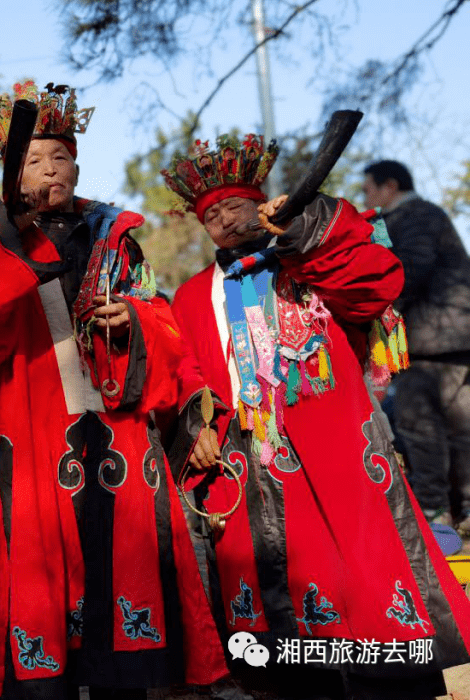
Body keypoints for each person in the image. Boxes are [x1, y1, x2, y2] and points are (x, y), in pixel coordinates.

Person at [0, 82, 227, 700]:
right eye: (35, 159)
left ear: (79, 162)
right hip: (37, 425)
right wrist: (5, 240)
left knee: (126, 566)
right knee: (48, 578)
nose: (51, 168)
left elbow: (164, 320)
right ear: (13, 174)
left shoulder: (116, 234)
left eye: (61, 156)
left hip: (120, 428)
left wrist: (133, 314)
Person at [165, 135, 470, 700]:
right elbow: (185, 372)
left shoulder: (313, 259)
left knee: (365, 579)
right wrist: (197, 425)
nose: (227, 219)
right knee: (276, 618)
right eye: (211, 214)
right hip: (252, 466)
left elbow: (376, 285)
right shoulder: (190, 298)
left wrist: (308, 227)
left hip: (338, 449)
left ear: (265, 205)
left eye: (237, 204)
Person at [363, 159, 470, 530]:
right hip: (453, 337)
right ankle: (463, 511)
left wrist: (372, 315)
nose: (368, 199)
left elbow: (407, 270)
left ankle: (436, 516)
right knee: (458, 429)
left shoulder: (414, 216)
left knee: (422, 428)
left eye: (369, 190)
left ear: (389, 186)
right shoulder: (428, 215)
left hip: (430, 339)